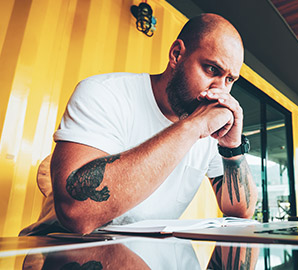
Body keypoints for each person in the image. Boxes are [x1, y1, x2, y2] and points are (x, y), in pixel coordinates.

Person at [20, 13, 258, 235]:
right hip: (59, 250)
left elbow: (241, 212)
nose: (220, 90)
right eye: (211, 69)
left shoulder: (209, 123)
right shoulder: (104, 93)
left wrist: (232, 148)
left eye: (229, 80)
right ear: (176, 54)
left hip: (142, 255)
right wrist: (193, 127)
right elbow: (78, 215)